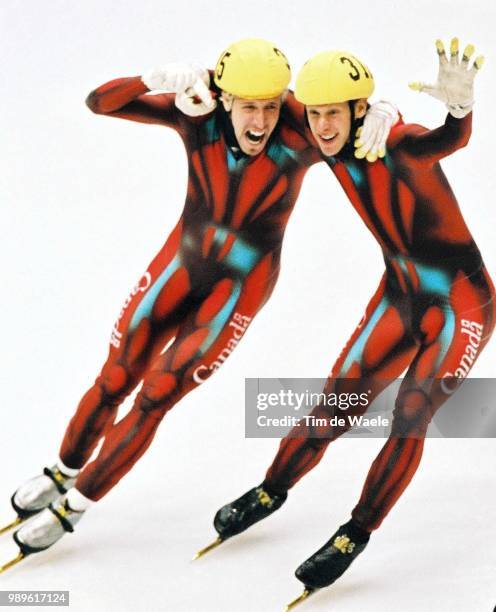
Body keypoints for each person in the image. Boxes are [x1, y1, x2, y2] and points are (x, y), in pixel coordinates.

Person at [0, 39, 395, 571]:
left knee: (157, 394)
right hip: (181, 264)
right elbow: (100, 102)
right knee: (115, 377)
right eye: (249, 106)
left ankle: (75, 506)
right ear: (225, 98)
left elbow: (351, 117)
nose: (261, 120)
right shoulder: (198, 109)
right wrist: (152, 77)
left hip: (240, 285)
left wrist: (385, 112)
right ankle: (60, 472)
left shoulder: (298, 127)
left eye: (272, 106)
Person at [206, 39, 495, 605]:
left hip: (462, 303)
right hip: (401, 294)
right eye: (314, 115)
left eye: (334, 113)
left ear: (360, 109)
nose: (322, 127)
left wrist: (458, 111)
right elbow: (258, 95)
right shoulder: (314, 128)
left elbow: (446, 141)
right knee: (336, 402)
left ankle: (356, 531)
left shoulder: (396, 142)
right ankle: (270, 491)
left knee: (411, 414)